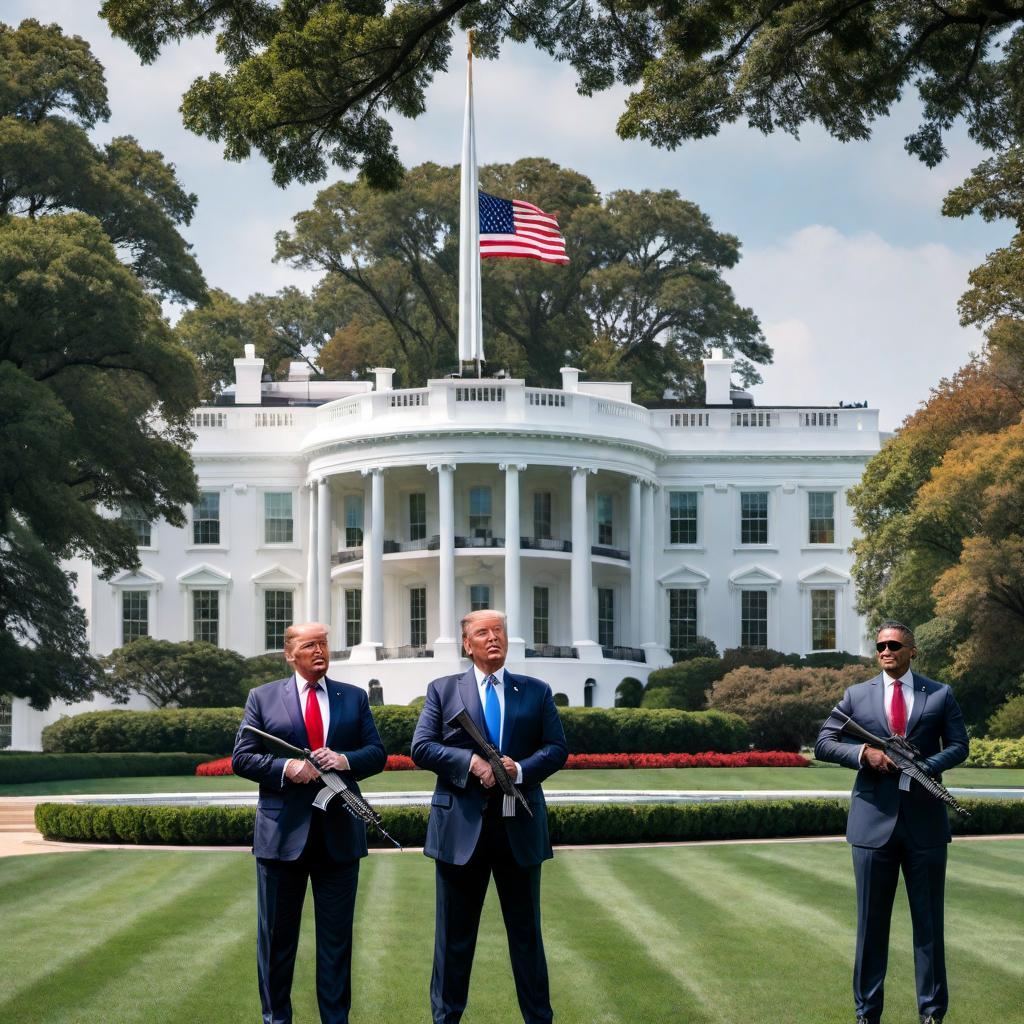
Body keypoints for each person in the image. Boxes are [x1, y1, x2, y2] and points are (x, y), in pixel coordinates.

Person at [411, 609, 569, 1024]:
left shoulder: (535, 690)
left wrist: (519, 770)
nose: (493, 638)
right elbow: (422, 747)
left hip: (519, 828)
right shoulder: (443, 690)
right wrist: (472, 764)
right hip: (460, 832)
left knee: (527, 938)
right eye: (483, 632)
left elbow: (556, 749)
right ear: (467, 643)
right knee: (453, 942)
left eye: (499, 630)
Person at [815, 620, 969, 1024]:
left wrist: (922, 768)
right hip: (872, 825)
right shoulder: (855, 696)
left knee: (929, 927)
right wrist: (865, 754)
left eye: (894, 645)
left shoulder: (940, 694)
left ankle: (932, 1014)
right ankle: (867, 1014)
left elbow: (959, 745)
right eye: (880, 645)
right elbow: (824, 743)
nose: (886, 651)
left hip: (926, 826)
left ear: (912, 650)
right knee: (870, 928)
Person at [232, 621, 386, 1024]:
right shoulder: (263, 698)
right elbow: (242, 758)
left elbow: (377, 753)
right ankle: (276, 1019)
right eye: (309, 644)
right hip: (281, 840)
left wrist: (344, 760)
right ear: (289, 653)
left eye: (324, 643)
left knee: (336, 945)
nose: (320, 651)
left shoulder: (353, 698)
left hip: (339, 839)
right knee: (276, 942)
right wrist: (287, 767)